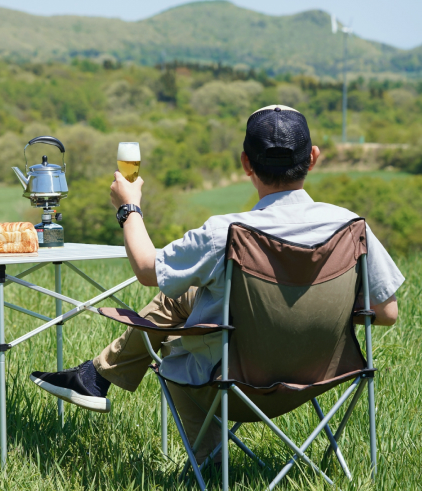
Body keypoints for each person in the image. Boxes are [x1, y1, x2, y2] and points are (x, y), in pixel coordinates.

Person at [29, 105, 404, 464]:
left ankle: (209, 461)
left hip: (235, 386)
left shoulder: (225, 233)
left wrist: (129, 207)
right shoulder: (351, 227)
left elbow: (146, 269)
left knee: (174, 349)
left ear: (245, 163)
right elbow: (386, 312)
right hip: (323, 377)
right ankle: (96, 376)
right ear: (313, 158)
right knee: (182, 296)